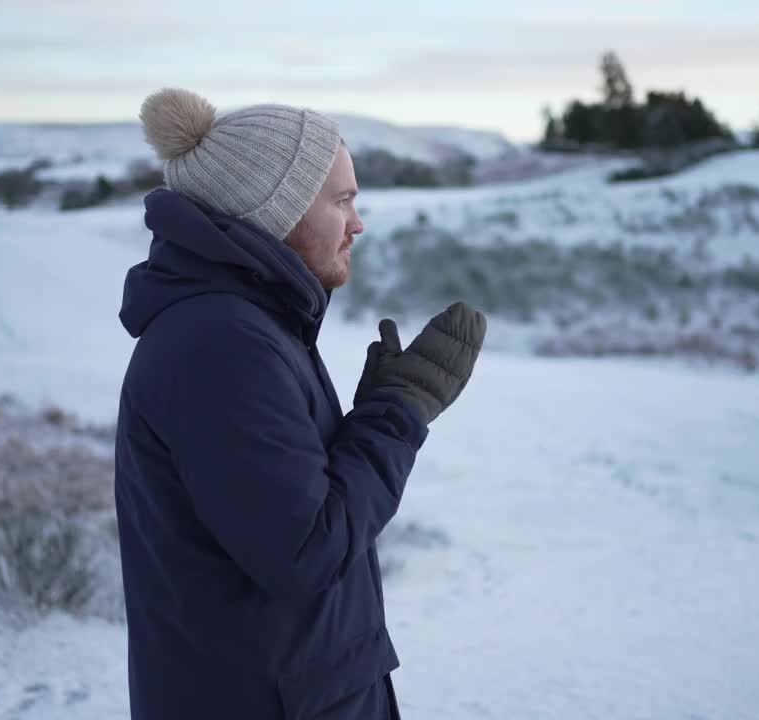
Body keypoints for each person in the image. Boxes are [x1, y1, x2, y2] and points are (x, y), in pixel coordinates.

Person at [114, 88, 487, 720]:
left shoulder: (252, 324)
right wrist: (398, 413)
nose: (358, 222)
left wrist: (381, 412)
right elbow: (306, 551)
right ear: (274, 209)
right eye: (341, 200)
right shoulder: (222, 344)